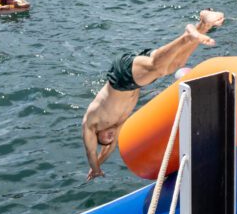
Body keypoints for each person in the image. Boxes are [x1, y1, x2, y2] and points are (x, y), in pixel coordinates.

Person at [82, 9, 225, 180]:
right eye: (109, 140)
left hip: (120, 78)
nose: (109, 138)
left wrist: (94, 167)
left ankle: (187, 34)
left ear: (98, 133)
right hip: (134, 82)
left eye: (103, 138)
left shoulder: (92, 122)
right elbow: (109, 148)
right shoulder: (118, 124)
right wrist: (101, 163)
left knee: (159, 66)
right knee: (175, 64)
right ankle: (203, 24)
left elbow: (91, 151)